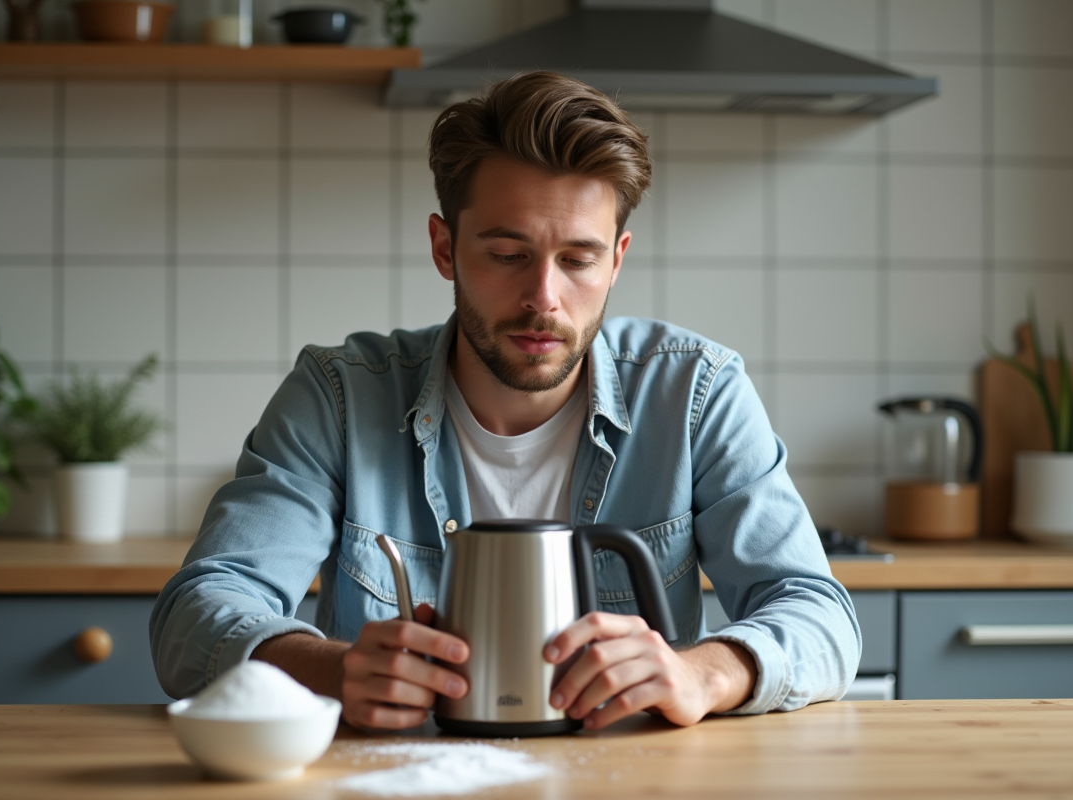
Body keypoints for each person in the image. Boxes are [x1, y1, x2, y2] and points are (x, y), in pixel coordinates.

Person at [150, 71, 860, 731]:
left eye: (578, 260)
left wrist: (701, 674)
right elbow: (197, 612)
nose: (543, 299)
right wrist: (331, 671)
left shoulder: (696, 393)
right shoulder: (338, 395)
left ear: (617, 260)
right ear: (444, 247)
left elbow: (820, 616)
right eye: (508, 253)